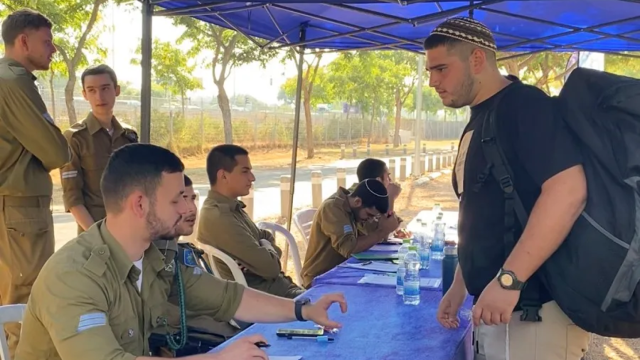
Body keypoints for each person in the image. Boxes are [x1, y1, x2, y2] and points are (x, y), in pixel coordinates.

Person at [15, 143, 347, 360]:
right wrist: (217, 358)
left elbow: (229, 297)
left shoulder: (153, 257)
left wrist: (304, 310)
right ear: (140, 204)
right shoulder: (74, 276)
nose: (186, 209)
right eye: (176, 199)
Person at [424, 17, 590, 360]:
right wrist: (461, 286)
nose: (432, 81)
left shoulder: (524, 106)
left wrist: (509, 281)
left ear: (476, 60)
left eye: (441, 69)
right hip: (499, 310)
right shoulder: (481, 117)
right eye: (429, 71)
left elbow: (569, 191)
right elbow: (480, 214)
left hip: (535, 312)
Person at [0, 8, 70, 357]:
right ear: (23, 40)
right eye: (47, 41)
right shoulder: (13, 81)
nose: (53, 49)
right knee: (26, 298)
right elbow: (57, 151)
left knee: (12, 294)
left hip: (12, 207)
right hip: (20, 209)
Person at [198, 144, 305, 298]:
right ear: (223, 176)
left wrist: (265, 247)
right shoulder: (219, 217)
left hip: (278, 292)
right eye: (245, 171)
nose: (252, 178)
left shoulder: (232, 207)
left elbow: (265, 236)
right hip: (267, 300)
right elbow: (271, 268)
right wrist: (265, 251)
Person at [151, 174, 241, 356]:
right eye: (182, 199)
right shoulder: (151, 256)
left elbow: (226, 297)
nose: (191, 208)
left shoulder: (183, 251)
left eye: (193, 199)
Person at [59, 64, 138, 234]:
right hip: (94, 233)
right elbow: (73, 198)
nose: (99, 96)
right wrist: (98, 236)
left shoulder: (129, 136)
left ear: (116, 90)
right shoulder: (75, 138)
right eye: (92, 90)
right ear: (84, 94)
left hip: (131, 230)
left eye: (105, 88)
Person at [301, 179, 400, 288]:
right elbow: (349, 248)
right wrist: (382, 231)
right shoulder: (332, 208)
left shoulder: (357, 207)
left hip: (345, 271)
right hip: (321, 277)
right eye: (369, 215)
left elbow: (376, 233)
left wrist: (386, 223)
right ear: (357, 202)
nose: (370, 220)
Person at [348, 158, 403, 237]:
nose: (390, 180)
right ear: (378, 181)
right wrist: (390, 197)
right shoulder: (360, 198)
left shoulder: (367, 193)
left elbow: (391, 225)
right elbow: (381, 234)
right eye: (388, 176)